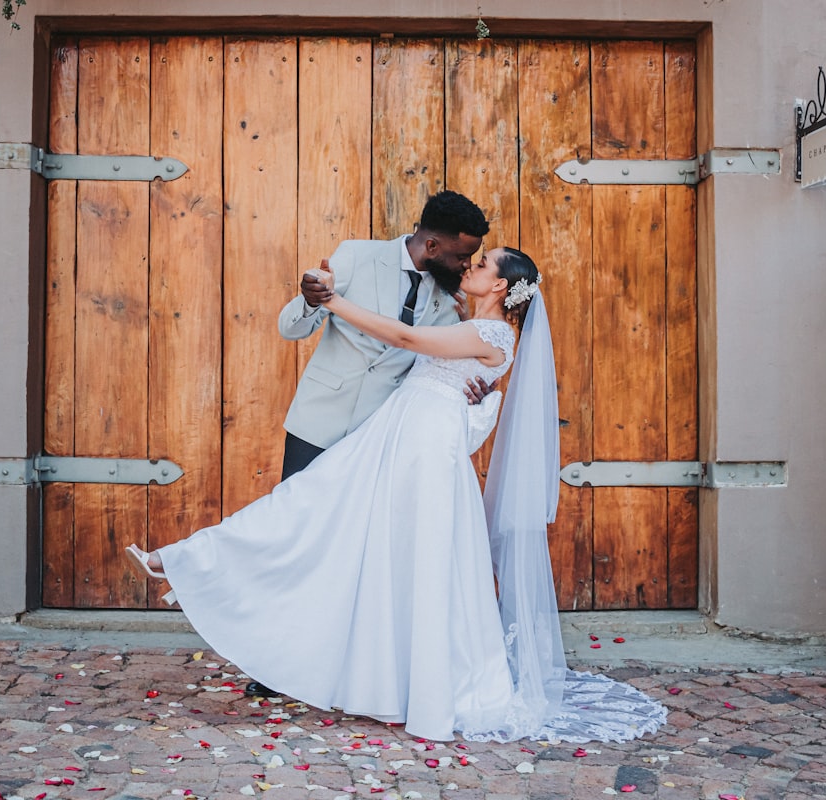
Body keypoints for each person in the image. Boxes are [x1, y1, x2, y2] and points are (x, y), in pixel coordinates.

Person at [126, 247, 667, 744]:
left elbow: (409, 341)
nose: (472, 266)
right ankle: (186, 560)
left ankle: (417, 686)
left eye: (483, 264)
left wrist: (337, 301)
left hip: (424, 450)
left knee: (396, 549)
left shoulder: (494, 336)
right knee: (313, 504)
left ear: (502, 287)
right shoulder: (471, 321)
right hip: (398, 434)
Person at [277, 190, 495, 481]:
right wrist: (312, 300)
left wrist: (469, 388)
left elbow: (436, 367)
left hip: (380, 437)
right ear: (431, 246)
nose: (467, 265)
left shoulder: (451, 298)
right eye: (462, 256)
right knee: (295, 520)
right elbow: (290, 330)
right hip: (318, 423)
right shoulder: (357, 255)